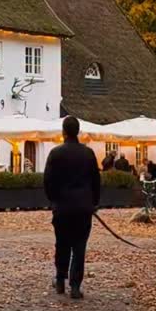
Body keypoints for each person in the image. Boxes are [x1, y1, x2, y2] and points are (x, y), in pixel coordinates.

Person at [43, 115, 101, 300]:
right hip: (83, 207)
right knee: (79, 246)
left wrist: (53, 200)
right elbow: (96, 180)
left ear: (64, 132)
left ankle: (60, 279)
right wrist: (94, 202)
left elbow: (48, 181)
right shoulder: (88, 154)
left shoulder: (56, 154)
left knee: (62, 244)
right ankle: (75, 285)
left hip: (63, 207)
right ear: (78, 131)